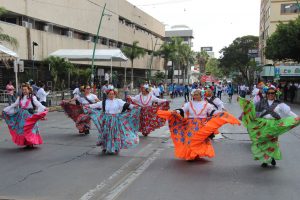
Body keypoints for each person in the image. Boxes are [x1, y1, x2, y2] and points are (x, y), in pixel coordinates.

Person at [157, 89, 240, 161]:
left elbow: (212, 112)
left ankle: (196, 154)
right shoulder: (189, 104)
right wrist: (176, 111)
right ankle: (191, 155)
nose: (194, 96)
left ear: (201, 95)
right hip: (191, 125)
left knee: (200, 140)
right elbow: (182, 110)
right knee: (190, 139)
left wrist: (221, 113)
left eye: (196, 94)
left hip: (202, 125)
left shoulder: (206, 104)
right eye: (193, 94)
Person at [238, 87, 299, 167]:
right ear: (266, 94)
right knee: (263, 143)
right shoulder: (261, 103)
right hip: (263, 125)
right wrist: (245, 112)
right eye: (269, 93)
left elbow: (288, 112)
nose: (270, 94)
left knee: (272, 143)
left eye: (272, 93)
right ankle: (265, 160)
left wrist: (297, 117)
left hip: (274, 126)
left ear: (275, 94)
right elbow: (253, 111)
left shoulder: (280, 104)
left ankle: (272, 157)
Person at [84, 86, 140, 154]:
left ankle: (116, 147)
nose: (111, 95)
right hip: (107, 120)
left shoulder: (118, 101)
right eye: (110, 94)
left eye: (113, 94)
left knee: (115, 134)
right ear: (107, 95)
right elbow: (95, 105)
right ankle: (105, 147)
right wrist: (88, 106)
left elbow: (127, 105)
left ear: (115, 94)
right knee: (106, 133)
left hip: (116, 120)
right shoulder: (104, 102)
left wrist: (134, 106)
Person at [2, 83, 48, 148]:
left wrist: (44, 108)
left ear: (29, 90)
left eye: (25, 89)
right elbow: (14, 104)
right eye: (23, 89)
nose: (24, 91)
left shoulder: (32, 97)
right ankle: (26, 142)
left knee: (30, 130)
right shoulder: (20, 97)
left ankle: (31, 142)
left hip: (30, 115)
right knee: (22, 129)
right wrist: (6, 109)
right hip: (21, 116)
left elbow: (38, 104)